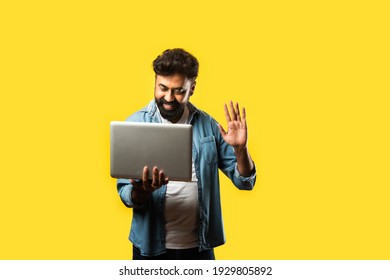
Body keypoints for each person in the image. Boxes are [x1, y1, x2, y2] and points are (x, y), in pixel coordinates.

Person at [116, 48, 256, 260]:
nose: (169, 97)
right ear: (155, 83)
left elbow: (244, 182)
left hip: (200, 248)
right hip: (150, 248)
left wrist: (240, 150)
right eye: (162, 88)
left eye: (178, 90)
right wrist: (143, 191)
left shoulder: (209, 126)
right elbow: (126, 195)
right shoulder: (135, 124)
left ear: (192, 88)